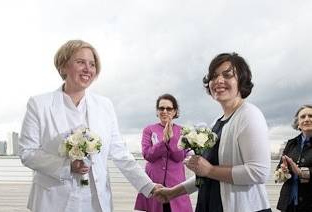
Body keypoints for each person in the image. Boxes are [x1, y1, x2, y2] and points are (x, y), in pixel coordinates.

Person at [18, 39, 161, 212]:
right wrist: (67, 166)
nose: (88, 69)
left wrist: (149, 186)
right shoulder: (38, 104)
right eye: (80, 62)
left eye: (92, 64)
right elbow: (27, 152)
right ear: (63, 66)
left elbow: (120, 153)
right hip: (53, 201)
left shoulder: (105, 105)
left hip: (95, 201)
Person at [154, 53, 272, 212]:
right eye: (214, 76)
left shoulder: (249, 115)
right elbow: (206, 175)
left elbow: (259, 172)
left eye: (227, 75)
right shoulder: (218, 121)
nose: (218, 80)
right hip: (210, 204)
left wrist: (210, 170)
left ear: (242, 81)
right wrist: (172, 193)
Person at [134, 94, 193, 212]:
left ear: (175, 111)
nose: (164, 111)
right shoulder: (149, 129)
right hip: (154, 182)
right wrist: (164, 142)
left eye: (169, 108)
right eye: (161, 108)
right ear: (157, 111)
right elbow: (147, 155)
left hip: (176, 183)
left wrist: (171, 140)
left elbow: (179, 157)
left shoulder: (183, 131)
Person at [276, 104, 312, 212]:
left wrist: (301, 172)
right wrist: (283, 170)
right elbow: (278, 170)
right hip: (289, 204)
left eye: (310, 116)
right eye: (303, 117)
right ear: (298, 124)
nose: (307, 119)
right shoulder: (291, 144)